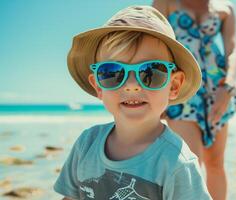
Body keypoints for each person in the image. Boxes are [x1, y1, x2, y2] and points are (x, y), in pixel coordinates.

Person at [54, 5, 212, 200]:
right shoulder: (86, 144)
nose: (131, 86)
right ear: (98, 86)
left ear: (173, 85)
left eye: (151, 72)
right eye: (112, 73)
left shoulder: (176, 163)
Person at [153, 0, 236, 199]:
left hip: (218, 88)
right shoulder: (166, 2)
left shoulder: (225, 8)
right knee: (191, 164)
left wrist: (228, 86)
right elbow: (154, 44)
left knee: (216, 163)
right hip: (181, 86)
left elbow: (233, 50)